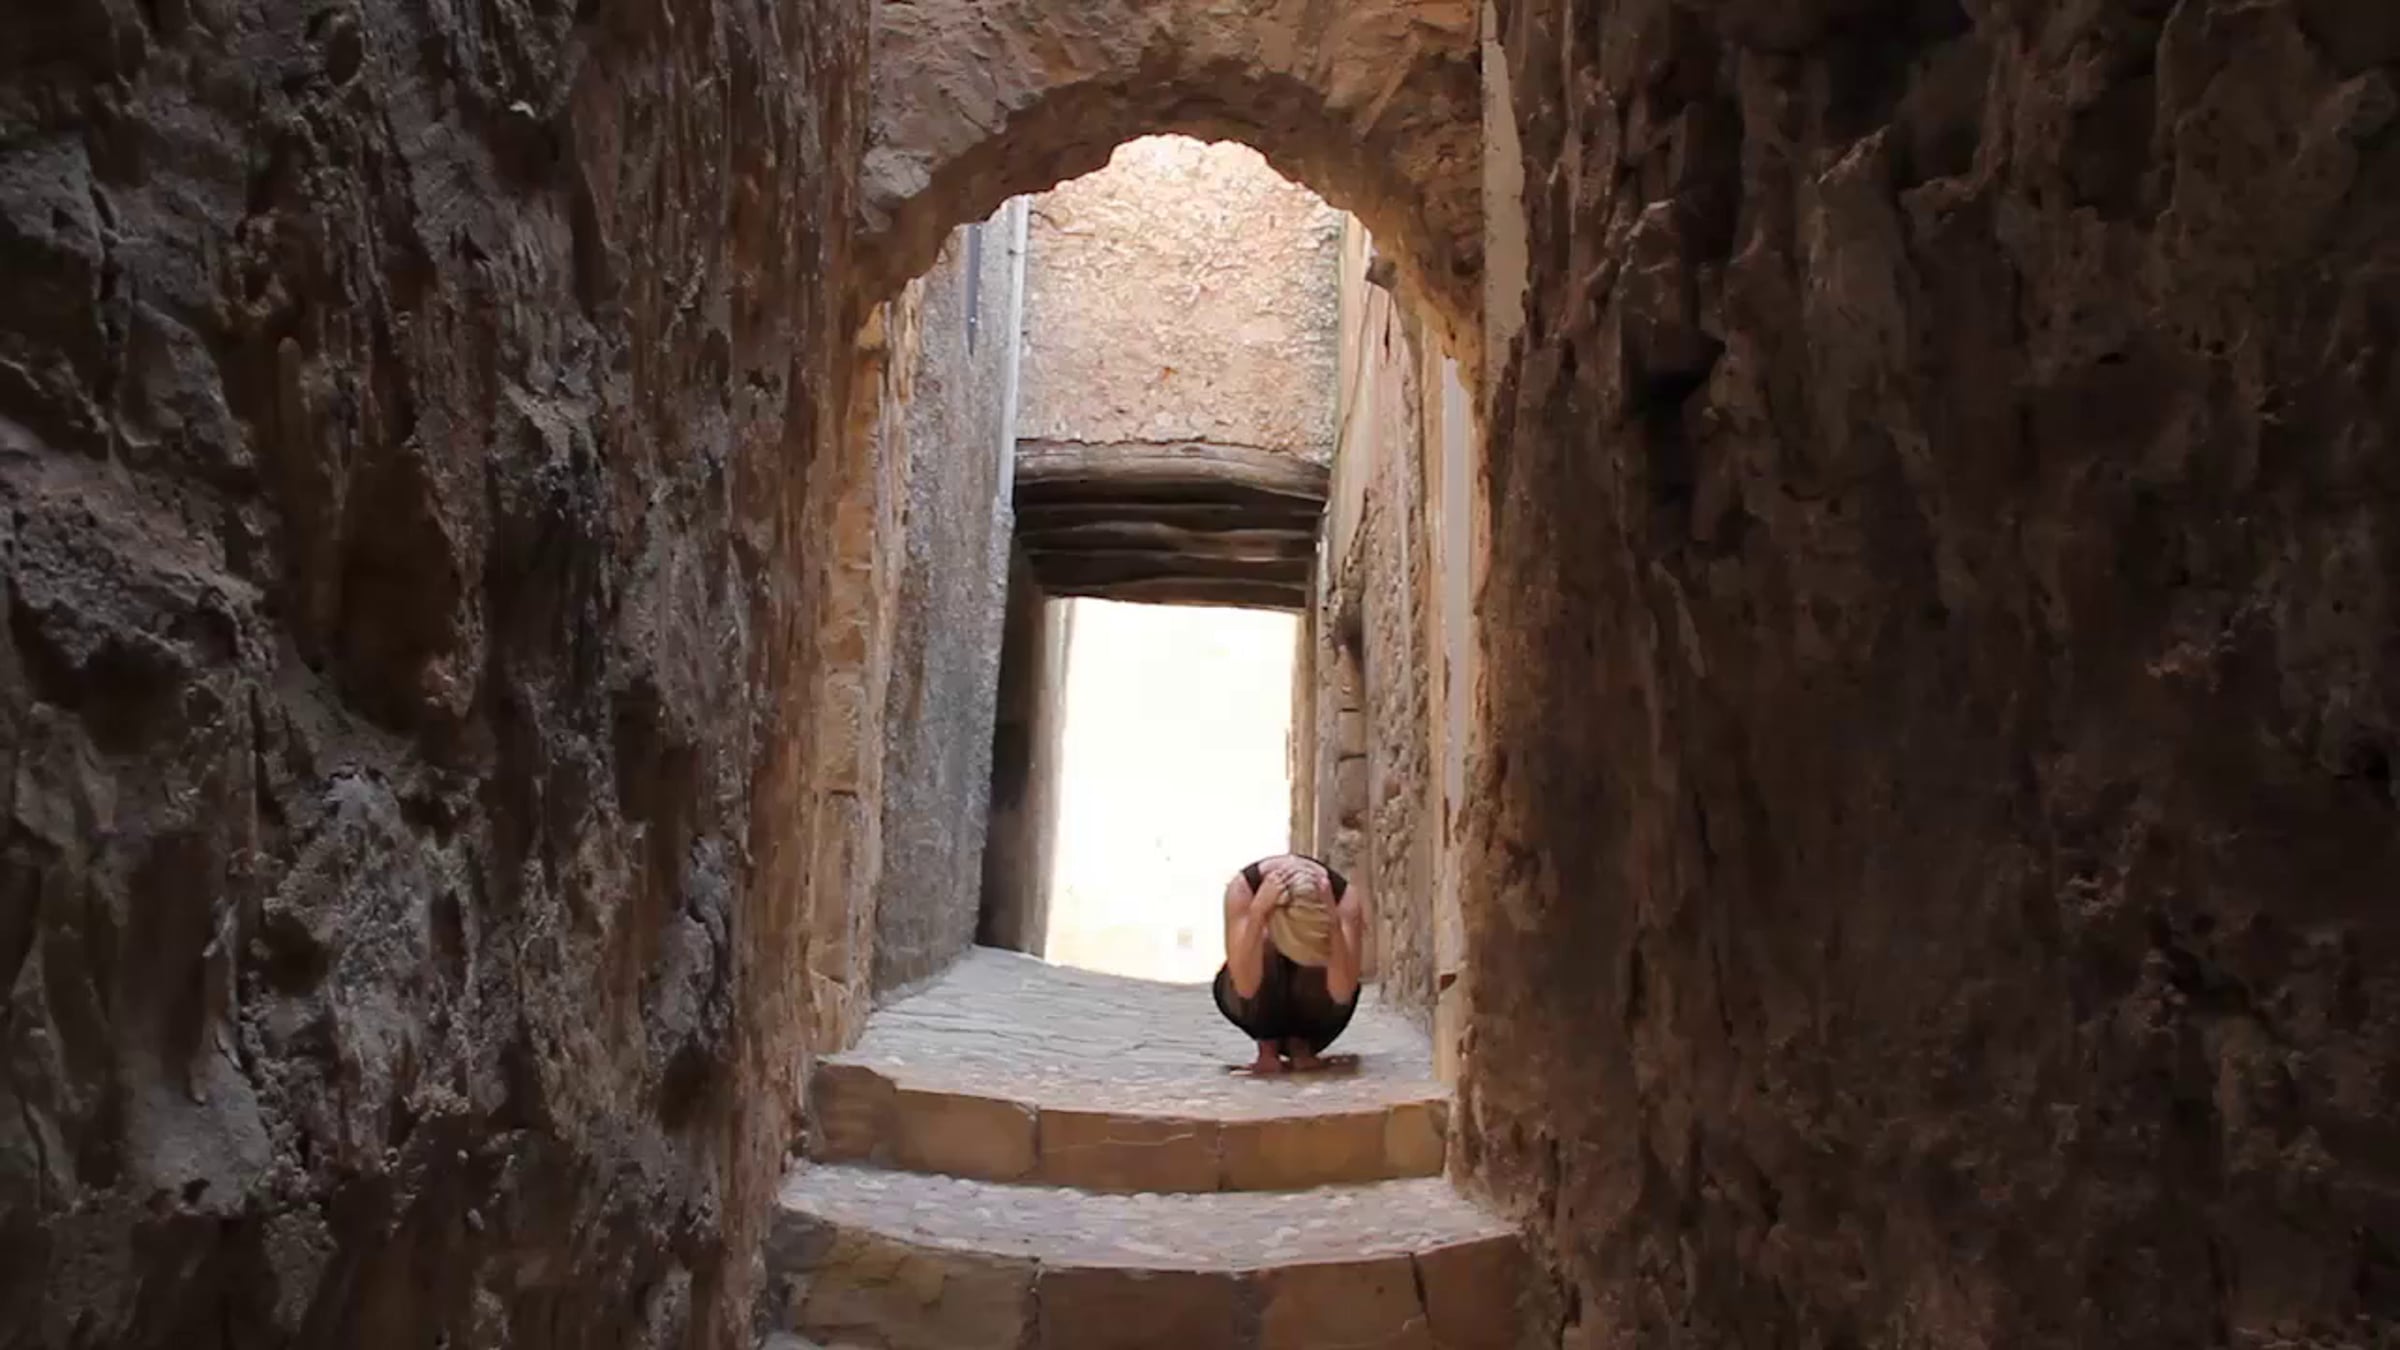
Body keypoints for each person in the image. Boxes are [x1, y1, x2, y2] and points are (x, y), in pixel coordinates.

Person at [1213, 853, 1368, 1074]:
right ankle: (1267, 1045)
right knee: (1259, 944)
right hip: (1252, 1005)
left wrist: (1333, 925)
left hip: (1319, 1015)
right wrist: (1258, 914)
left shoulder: (1344, 900)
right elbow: (1245, 987)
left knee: (1335, 957)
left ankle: (1301, 1044)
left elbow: (1342, 993)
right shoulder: (1242, 890)